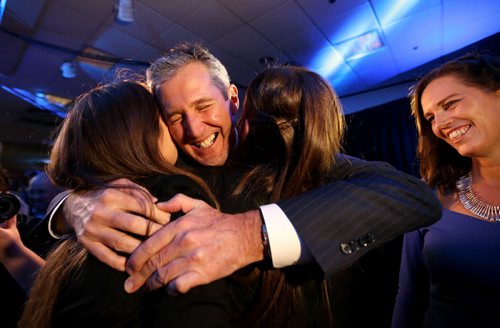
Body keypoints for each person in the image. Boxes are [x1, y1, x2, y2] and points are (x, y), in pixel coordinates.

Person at [47, 42, 441, 296]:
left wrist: (252, 233)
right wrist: (71, 206)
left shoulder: (278, 151)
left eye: (204, 107)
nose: (194, 130)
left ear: (232, 99)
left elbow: (410, 196)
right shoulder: (162, 172)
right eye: (175, 117)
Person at [19, 81, 230, 327]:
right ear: (140, 132)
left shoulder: (83, 222)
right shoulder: (169, 196)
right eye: (167, 117)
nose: (185, 129)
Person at [392, 53, 500, 327]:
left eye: (450, 104)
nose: (439, 125)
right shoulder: (426, 198)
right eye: (430, 118)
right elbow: (409, 298)